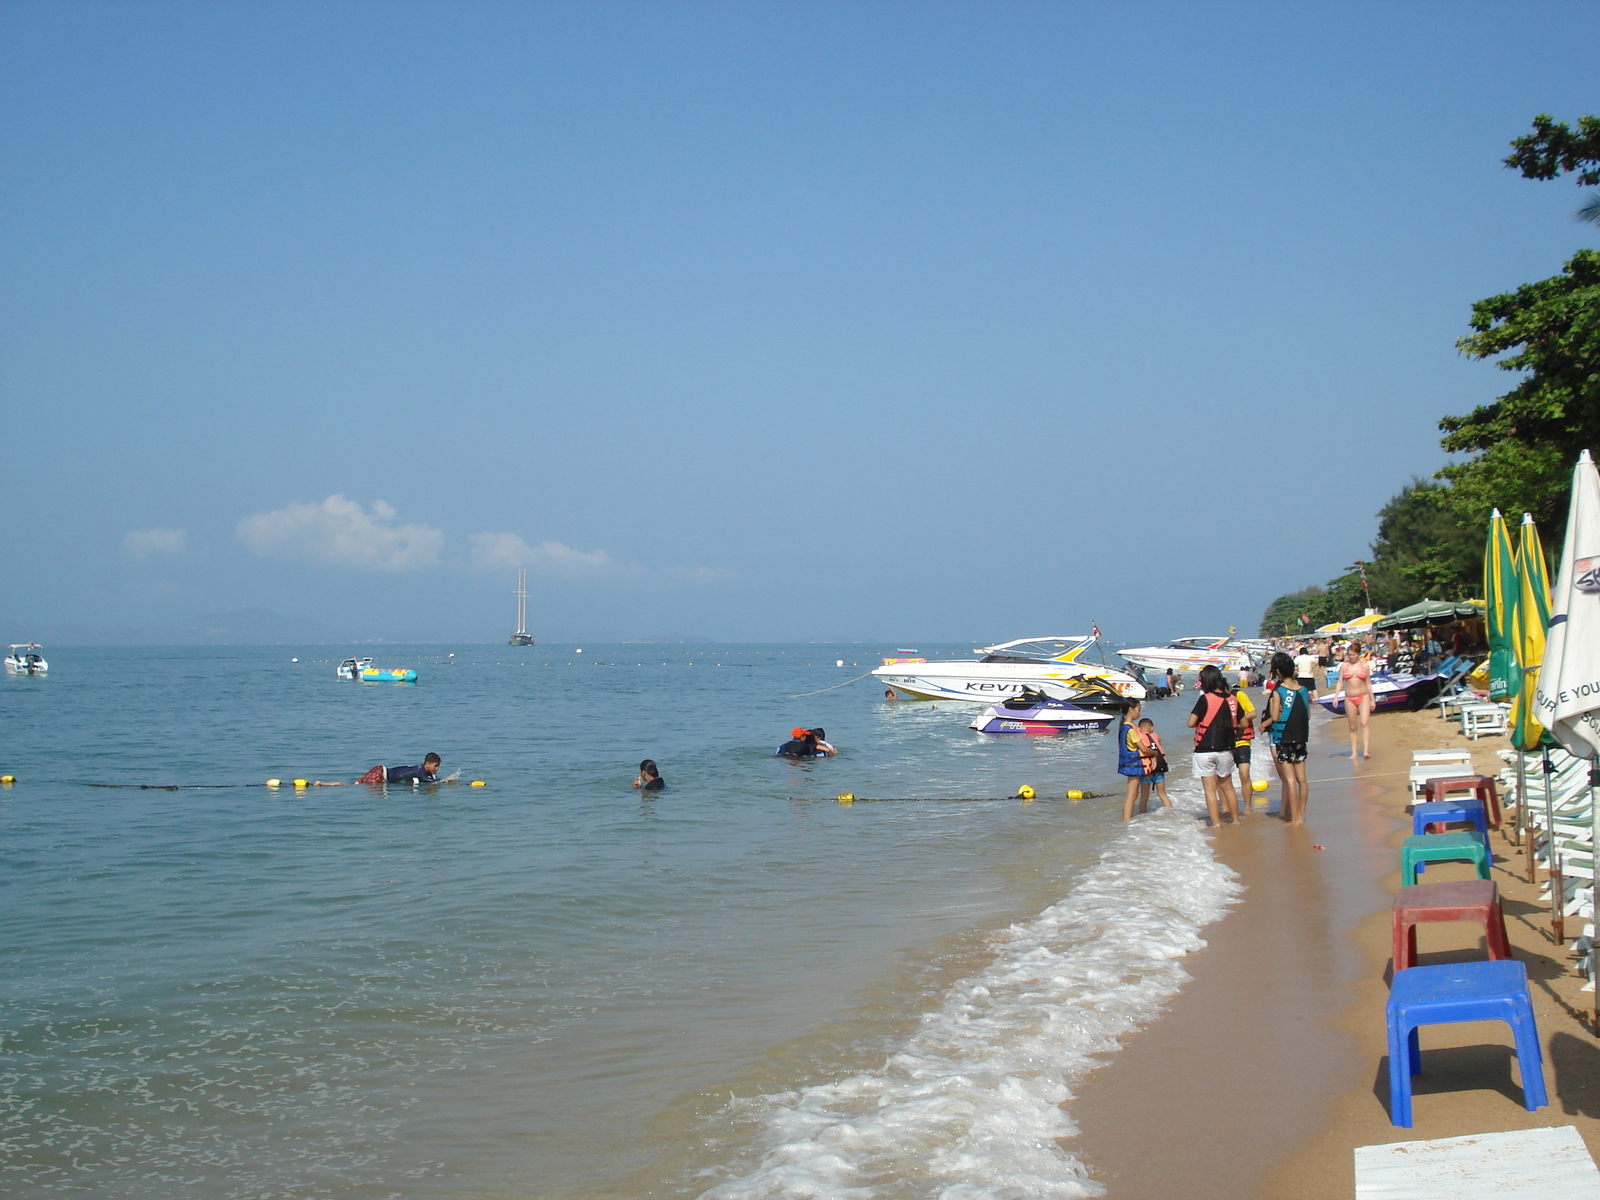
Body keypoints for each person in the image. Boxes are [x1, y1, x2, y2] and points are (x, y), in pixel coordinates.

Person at [1261, 651, 1311, 823]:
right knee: (1302, 780)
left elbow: (1275, 718)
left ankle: (1295, 817)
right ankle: (1302, 815)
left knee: (1290, 779)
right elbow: (1308, 715)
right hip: (1301, 738)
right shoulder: (1304, 690)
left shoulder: (1279, 691)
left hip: (1284, 739)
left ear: (1279, 672)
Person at [1187, 665, 1239, 826]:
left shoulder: (1205, 699)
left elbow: (1191, 723)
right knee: (1228, 786)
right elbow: (1241, 721)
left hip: (1204, 748)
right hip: (1225, 749)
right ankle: (1236, 820)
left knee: (1210, 790)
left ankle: (1216, 824)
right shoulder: (1232, 699)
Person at [315, 754, 444, 785]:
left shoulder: (419, 768)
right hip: (381, 775)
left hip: (380, 770)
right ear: (427, 764)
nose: (437, 768)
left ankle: (322, 784)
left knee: (355, 784)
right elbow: (431, 782)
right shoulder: (421, 771)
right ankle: (322, 784)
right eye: (435, 766)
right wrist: (445, 781)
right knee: (352, 786)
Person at [1339, 642, 1374, 760]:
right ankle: (1354, 752)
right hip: (1349, 698)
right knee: (1352, 727)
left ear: (1358, 654)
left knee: (1364, 723)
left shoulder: (1365, 666)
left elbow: (1368, 683)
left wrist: (1372, 699)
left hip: (1363, 696)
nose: (1351, 657)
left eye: (1353, 655)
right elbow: (1340, 682)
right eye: (1349, 655)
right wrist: (1336, 696)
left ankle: (1366, 750)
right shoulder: (1344, 666)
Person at [1118, 701, 1150, 821]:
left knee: (1134, 794)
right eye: (1138, 710)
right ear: (1131, 709)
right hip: (1134, 765)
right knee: (1132, 795)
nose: (1140, 713)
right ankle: (1127, 821)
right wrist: (1154, 753)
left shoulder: (1126, 728)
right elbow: (1142, 748)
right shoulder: (1130, 730)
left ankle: (1134, 819)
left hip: (1132, 764)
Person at [1231, 678, 1258, 812]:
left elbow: (1253, 713)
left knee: (1244, 774)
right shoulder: (1213, 699)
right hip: (1224, 742)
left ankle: (1247, 807)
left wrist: (1235, 722)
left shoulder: (1238, 695)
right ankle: (1226, 807)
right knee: (1222, 777)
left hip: (1242, 740)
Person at [1136, 717, 1172, 809]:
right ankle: (1170, 812)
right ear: (1152, 727)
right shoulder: (1155, 736)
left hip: (1147, 769)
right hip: (1159, 768)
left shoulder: (1140, 738)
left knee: (1144, 797)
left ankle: (1142, 815)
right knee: (1163, 794)